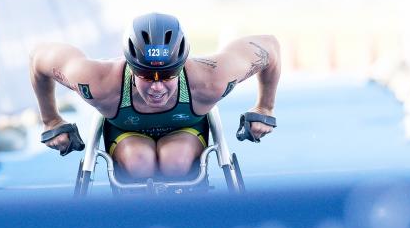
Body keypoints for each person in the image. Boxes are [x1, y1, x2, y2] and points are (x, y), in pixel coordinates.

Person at [30, 12, 280, 180]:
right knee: (141, 163)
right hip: (126, 133)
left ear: (181, 66)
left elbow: (270, 45)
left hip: (186, 129)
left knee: (175, 162)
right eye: (147, 76)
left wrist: (265, 108)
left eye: (169, 75)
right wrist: (51, 120)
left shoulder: (210, 79)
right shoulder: (98, 83)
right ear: (130, 67)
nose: (157, 87)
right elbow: (39, 58)